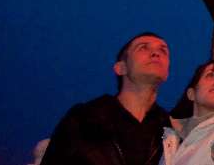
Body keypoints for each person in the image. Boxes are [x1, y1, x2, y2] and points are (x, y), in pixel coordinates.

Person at [41, 32, 173, 165]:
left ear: (167, 72)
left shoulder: (169, 130)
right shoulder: (84, 119)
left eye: (163, 50)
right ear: (121, 68)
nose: (156, 53)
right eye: (143, 47)